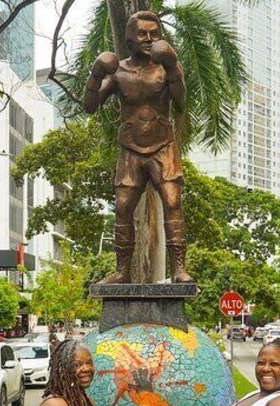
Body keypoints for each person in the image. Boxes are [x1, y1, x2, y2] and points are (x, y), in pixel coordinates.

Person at [84, 11, 193, 284]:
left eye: (154, 34)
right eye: (142, 34)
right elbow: (90, 106)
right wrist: (95, 75)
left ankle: (178, 269)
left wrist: (173, 66)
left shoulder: (166, 68)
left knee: (172, 202)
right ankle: (122, 272)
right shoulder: (119, 71)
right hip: (131, 148)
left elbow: (180, 103)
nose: (149, 39)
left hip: (163, 146)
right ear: (130, 39)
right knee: (122, 207)